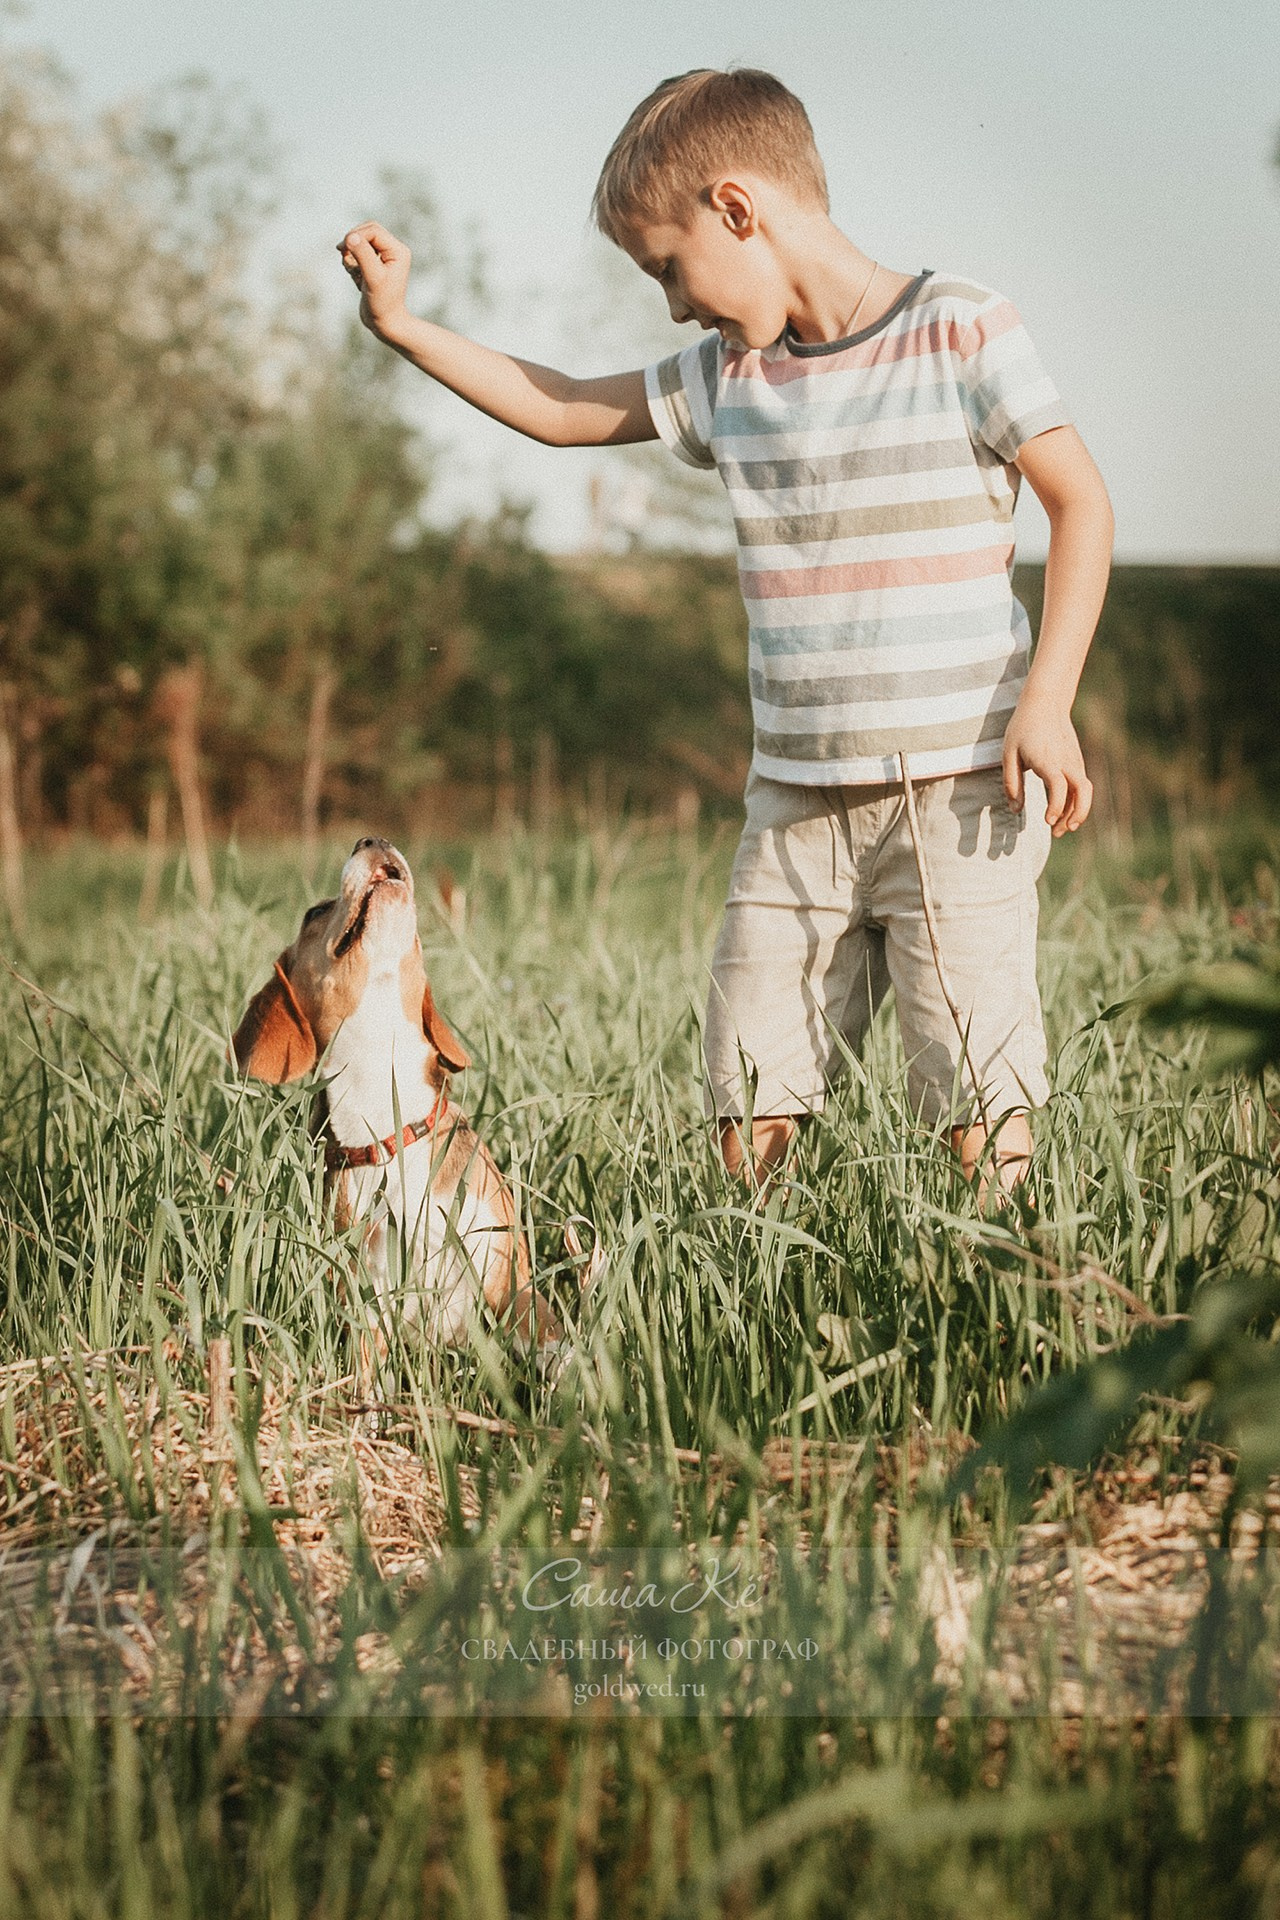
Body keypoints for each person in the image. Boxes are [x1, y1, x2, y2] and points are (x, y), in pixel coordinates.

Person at [339, 67, 1113, 1194]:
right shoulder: (727, 378)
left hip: (957, 793)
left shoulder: (959, 328)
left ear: (737, 210)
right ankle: (753, 1278)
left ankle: (997, 1283)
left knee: (972, 1079)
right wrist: (403, 326)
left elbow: (1079, 502)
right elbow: (560, 408)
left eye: (667, 266)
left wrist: (1046, 700)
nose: (672, 304)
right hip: (791, 807)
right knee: (748, 1082)